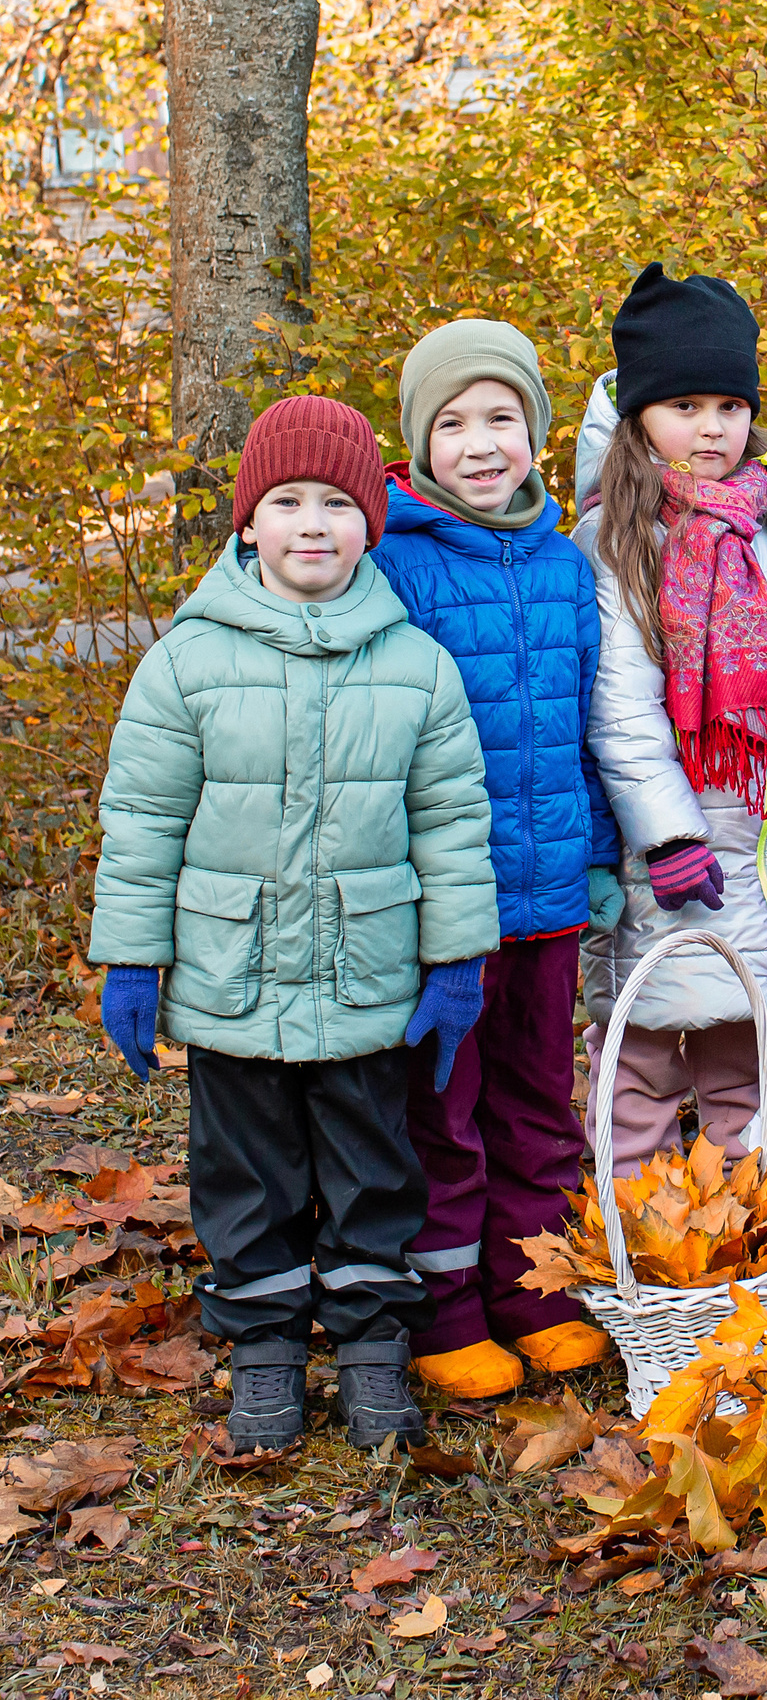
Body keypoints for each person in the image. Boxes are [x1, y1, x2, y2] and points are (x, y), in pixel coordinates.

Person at [89, 396, 500, 1450]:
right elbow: (141, 821)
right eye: (286, 503)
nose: (311, 524)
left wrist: (455, 960)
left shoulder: (415, 665)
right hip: (232, 973)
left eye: (336, 504)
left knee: (374, 1165)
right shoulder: (186, 661)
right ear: (247, 524)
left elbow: (451, 823)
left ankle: (369, 1342)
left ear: (373, 523)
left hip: (367, 972)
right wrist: (134, 958)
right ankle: (266, 1343)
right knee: (246, 1169)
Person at [370, 319, 617, 1398]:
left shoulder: (566, 567)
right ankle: (447, 1306)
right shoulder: (395, 562)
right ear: (421, 441)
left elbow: (587, 726)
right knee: (445, 1106)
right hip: (444, 904)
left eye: (503, 419)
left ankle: (533, 1286)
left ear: (536, 433)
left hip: (552, 886)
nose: (481, 443)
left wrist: (602, 850)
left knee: (536, 1100)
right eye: (455, 422)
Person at [573, 263, 767, 1169]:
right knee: (639, 1066)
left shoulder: (765, 527)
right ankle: (631, 1244)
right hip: (668, 864)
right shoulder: (617, 538)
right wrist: (670, 836)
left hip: (762, 845)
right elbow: (621, 709)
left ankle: (751, 1254)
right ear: (639, 415)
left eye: (728, 404)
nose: (711, 427)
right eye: (684, 406)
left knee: (747, 1070)